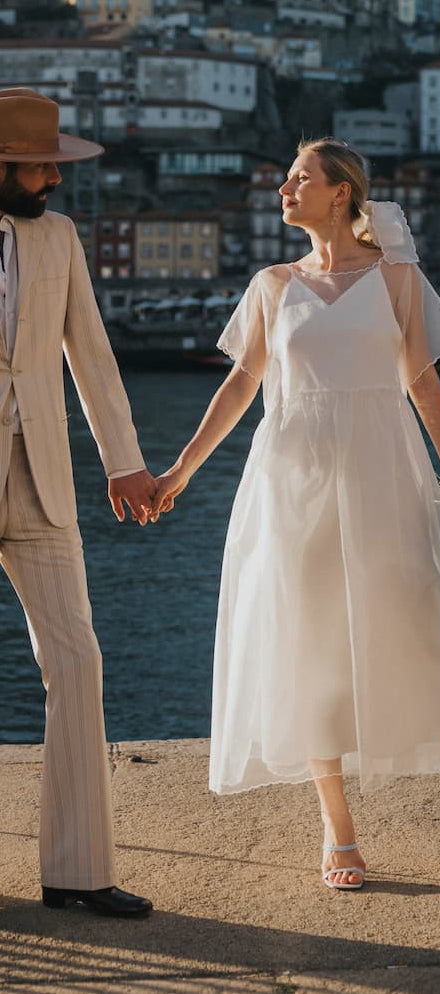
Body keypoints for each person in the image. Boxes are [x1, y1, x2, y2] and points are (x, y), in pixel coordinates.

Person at [152, 138, 440, 890]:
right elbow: (240, 388)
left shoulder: (395, 276)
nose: (284, 189)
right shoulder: (270, 282)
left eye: (299, 179)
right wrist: (180, 470)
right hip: (292, 481)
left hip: (384, 473)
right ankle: (338, 831)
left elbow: (421, 381)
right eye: (286, 179)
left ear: (341, 194)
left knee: (426, 636)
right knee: (311, 648)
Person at [0, 88, 153, 916]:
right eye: (40, 165)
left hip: (46, 481)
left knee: (79, 663)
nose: (54, 179)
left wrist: (123, 463)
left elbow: (90, 354)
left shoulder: (59, 237)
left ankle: (78, 872)